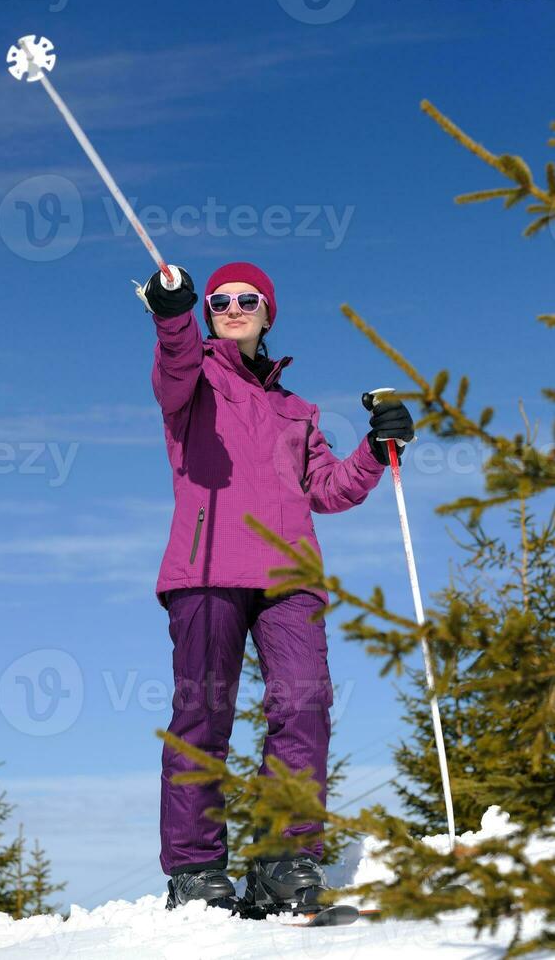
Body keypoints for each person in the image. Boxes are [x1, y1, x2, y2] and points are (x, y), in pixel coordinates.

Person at [142, 261, 414, 912]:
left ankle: (282, 859)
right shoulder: (192, 382)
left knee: (304, 707)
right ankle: (196, 869)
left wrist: (376, 452)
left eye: (247, 299)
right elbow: (174, 359)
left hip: (289, 575)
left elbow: (325, 489)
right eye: (218, 301)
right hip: (206, 570)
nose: (232, 307)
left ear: (269, 313)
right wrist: (171, 312)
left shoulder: (297, 410)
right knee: (202, 717)